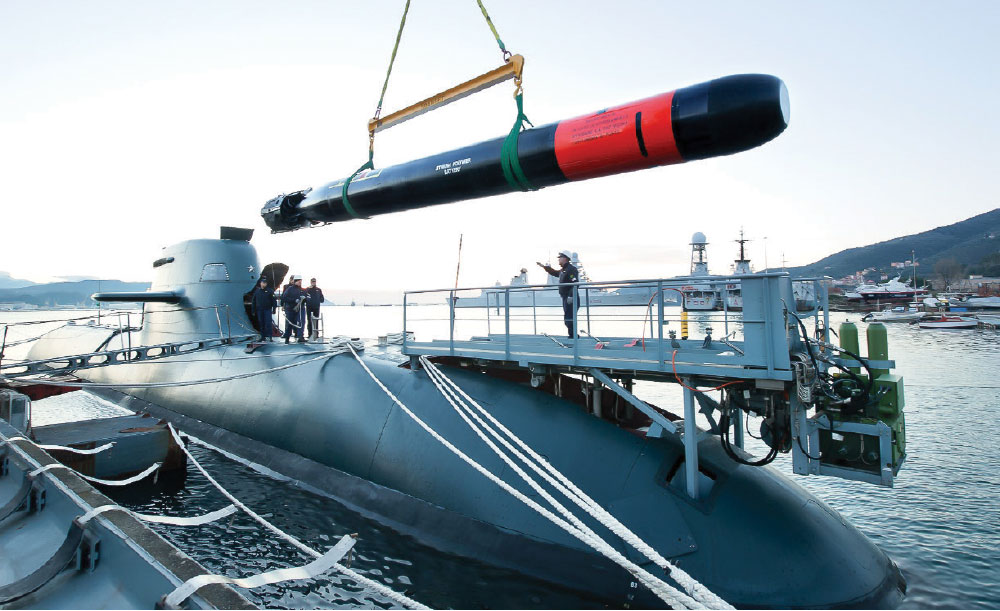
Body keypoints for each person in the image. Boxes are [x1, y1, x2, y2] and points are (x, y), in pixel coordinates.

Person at [537, 250, 580, 337]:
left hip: (570, 298)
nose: (558, 260)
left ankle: (574, 337)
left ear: (565, 258)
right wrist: (544, 267)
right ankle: (573, 336)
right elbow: (555, 273)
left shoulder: (571, 270)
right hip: (566, 298)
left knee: (569, 318)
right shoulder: (564, 270)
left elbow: (575, 283)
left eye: (560, 258)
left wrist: (571, 296)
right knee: (568, 318)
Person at [281, 275, 307, 343]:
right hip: (291, 309)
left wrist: (305, 299)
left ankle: (300, 336)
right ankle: (287, 337)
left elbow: (307, 298)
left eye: (300, 281)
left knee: (301, 322)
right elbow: (284, 298)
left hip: (300, 309)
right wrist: (294, 300)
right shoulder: (289, 289)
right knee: (290, 323)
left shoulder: (302, 290)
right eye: (299, 281)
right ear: (295, 281)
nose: (300, 282)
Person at [251, 277, 276, 341]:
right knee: (261, 323)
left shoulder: (270, 291)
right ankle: (263, 336)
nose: (264, 284)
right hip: (260, 310)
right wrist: (253, 310)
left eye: (265, 283)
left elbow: (274, 301)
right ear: (260, 283)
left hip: (267, 309)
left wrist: (274, 309)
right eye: (263, 283)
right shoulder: (257, 292)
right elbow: (254, 301)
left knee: (268, 323)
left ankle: (270, 336)